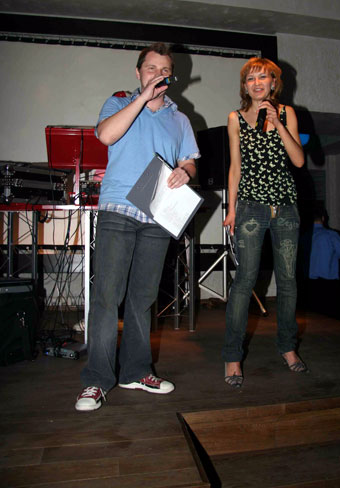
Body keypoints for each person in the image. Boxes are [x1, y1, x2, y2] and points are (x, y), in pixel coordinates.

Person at [75, 43, 200, 411]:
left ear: (172, 76)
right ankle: (97, 380)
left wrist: (185, 172)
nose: (158, 75)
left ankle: (135, 371)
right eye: (151, 68)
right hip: (118, 209)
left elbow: (190, 162)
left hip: (158, 214)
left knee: (143, 299)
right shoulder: (118, 103)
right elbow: (106, 135)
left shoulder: (180, 120)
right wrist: (142, 98)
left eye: (164, 70)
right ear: (138, 72)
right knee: (106, 297)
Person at [222, 57, 306, 388]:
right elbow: (235, 167)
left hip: (285, 207)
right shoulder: (236, 118)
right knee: (245, 280)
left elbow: (298, 160)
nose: (257, 83)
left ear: (274, 83)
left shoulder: (286, 113)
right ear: (245, 86)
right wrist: (231, 209)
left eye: (263, 77)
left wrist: (277, 123)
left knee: (287, 281)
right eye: (251, 78)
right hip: (250, 208)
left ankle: (287, 347)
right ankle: (232, 356)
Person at [302, 202, 340, 318]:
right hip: (329, 287)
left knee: (314, 319)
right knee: (334, 319)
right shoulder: (331, 235)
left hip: (309, 286)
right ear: (323, 218)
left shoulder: (304, 237)